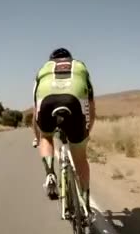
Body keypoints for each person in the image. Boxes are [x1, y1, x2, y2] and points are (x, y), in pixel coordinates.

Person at [31, 47, 96, 219]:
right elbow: (90, 104)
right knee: (80, 157)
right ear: (69, 59)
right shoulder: (79, 66)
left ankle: (50, 172)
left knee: (46, 137)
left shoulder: (42, 70)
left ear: (51, 60)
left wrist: (39, 137)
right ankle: (85, 203)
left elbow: (35, 110)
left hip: (46, 100)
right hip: (75, 100)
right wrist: (86, 131)